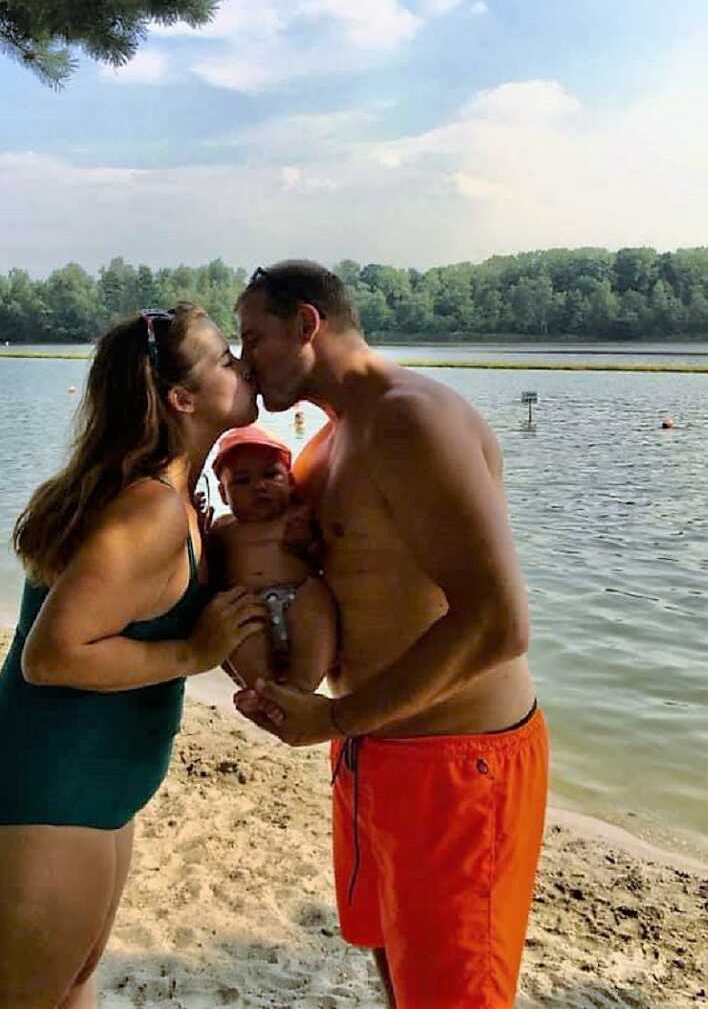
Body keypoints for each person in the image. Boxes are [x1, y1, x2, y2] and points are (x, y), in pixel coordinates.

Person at [233, 262, 548, 1009]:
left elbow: (500, 623)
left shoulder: (411, 418)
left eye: (254, 339)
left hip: (458, 764)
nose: (246, 361)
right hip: (370, 751)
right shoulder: (323, 447)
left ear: (307, 325)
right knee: (395, 969)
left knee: (452, 993)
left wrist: (336, 718)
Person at [0, 305, 266, 1009]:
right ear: (182, 398)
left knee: (74, 987)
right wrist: (193, 650)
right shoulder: (149, 508)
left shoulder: (176, 495)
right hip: (42, 792)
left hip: (91, 793)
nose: (240, 363)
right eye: (223, 358)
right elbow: (53, 656)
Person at [207, 423, 338, 692]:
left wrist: (312, 544)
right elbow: (208, 573)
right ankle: (262, 689)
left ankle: (301, 687)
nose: (259, 486)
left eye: (271, 475)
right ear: (223, 493)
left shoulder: (300, 518)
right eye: (242, 481)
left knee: (316, 594)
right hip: (252, 613)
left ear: (290, 482)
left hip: (300, 609)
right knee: (233, 616)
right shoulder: (223, 529)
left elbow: (333, 556)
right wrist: (198, 530)